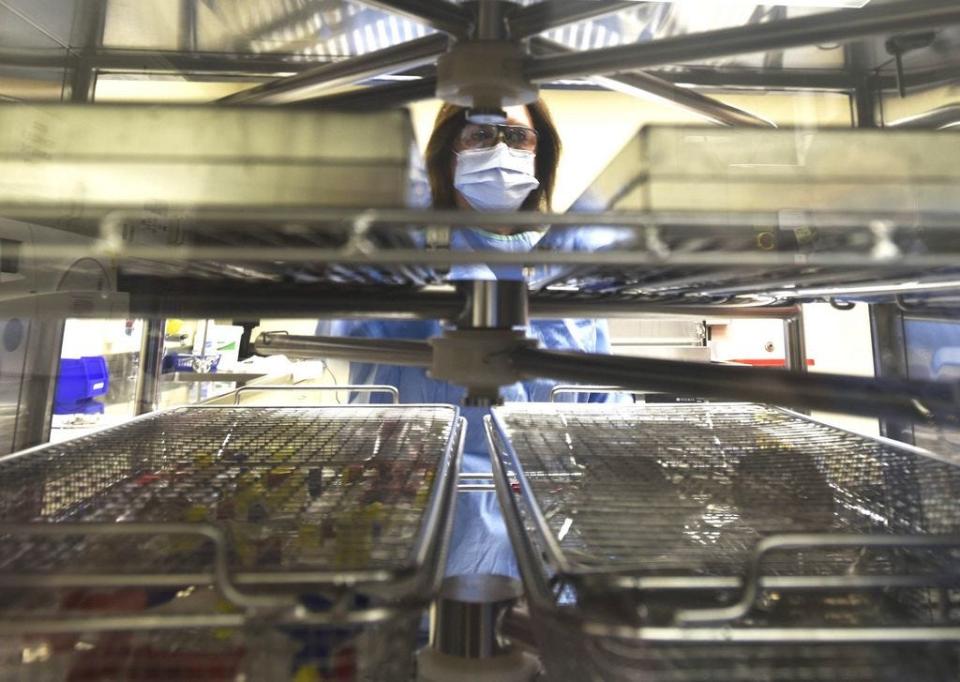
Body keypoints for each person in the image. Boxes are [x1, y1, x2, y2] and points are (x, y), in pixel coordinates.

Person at [318, 99, 621, 577]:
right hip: (409, 535)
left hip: (542, 543)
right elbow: (344, 324)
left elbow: (605, 420)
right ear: (449, 152)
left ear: (540, 156)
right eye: (480, 135)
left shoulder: (567, 274)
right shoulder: (401, 258)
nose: (500, 149)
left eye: (518, 137)